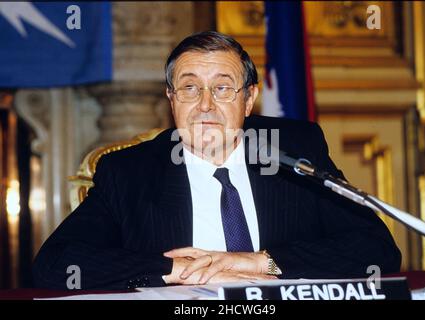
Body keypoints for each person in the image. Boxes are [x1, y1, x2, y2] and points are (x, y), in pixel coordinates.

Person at [33, 31, 401, 290]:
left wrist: (260, 262)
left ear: (249, 98)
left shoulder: (292, 151)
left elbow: (376, 248)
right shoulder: (131, 172)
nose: (205, 104)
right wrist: (178, 269)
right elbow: (57, 264)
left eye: (222, 87)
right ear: (171, 98)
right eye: (190, 87)